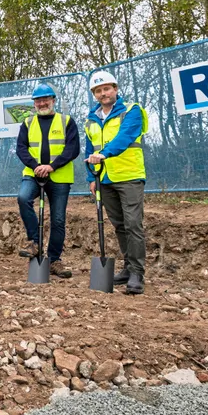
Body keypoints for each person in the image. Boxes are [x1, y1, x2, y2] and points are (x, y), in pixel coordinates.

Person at [83, 70, 149, 295]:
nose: (104, 93)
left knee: (133, 224)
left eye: (107, 88)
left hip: (129, 176)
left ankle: (137, 273)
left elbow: (126, 137)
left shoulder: (132, 111)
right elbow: (89, 149)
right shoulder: (91, 120)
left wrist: (105, 154)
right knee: (119, 225)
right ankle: (128, 267)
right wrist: (91, 177)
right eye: (99, 90)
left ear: (115, 89)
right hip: (105, 178)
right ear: (95, 94)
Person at [16, 82, 80, 279]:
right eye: (38, 100)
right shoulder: (27, 123)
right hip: (33, 174)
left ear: (53, 100)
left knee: (58, 219)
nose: (42, 103)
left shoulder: (66, 121)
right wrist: (36, 166)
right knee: (23, 197)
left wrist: (52, 166)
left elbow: (72, 149)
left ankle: (54, 260)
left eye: (45, 99)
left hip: (59, 176)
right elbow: (21, 148)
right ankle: (34, 242)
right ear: (34, 103)